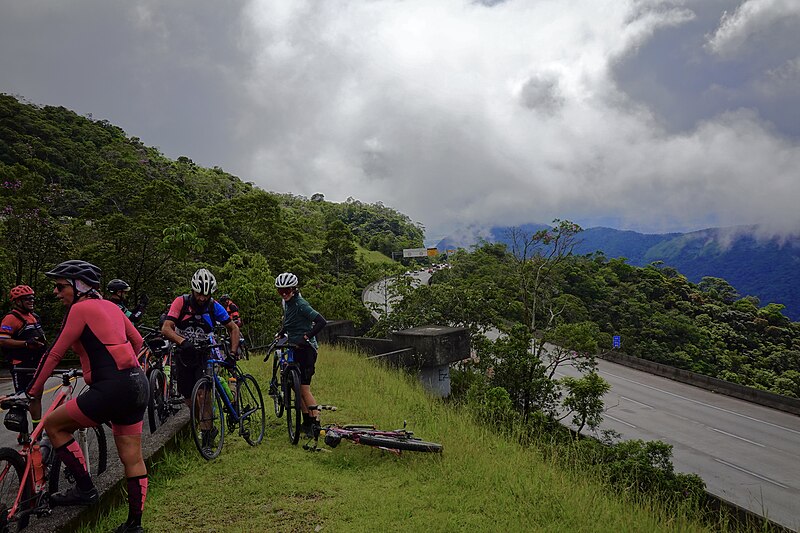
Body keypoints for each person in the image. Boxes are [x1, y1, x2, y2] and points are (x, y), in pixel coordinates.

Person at [20, 260, 149, 533]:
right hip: (137, 384)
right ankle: (134, 525)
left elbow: (54, 353)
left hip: (111, 387)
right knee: (132, 457)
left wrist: (32, 391)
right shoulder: (112, 307)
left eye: (60, 286)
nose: (56, 292)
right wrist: (130, 372)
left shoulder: (80, 308)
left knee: (54, 425)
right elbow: (138, 343)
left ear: (79, 286)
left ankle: (85, 489)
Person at [160, 268, 239, 445]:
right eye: (199, 294)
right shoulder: (181, 302)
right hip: (183, 355)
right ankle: (204, 424)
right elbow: (166, 327)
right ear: (193, 290)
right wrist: (182, 341)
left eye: (206, 294)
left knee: (204, 394)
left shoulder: (214, 306)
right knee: (189, 398)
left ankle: (208, 436)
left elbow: (233, 328)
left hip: (204, 355)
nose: (202, 298)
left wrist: (232, 353)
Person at [274, 272, 327, 436]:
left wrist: (306, 337)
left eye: (287, 290)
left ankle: (316, 423)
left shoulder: (300, 304)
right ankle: (306, 421)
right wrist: (282, 332)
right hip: (294, 347)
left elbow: (321, 322)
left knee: (304, 388)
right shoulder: (286, 303)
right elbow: (289, 321)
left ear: (294, 289)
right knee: (296, 388)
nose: (284, 294)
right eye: (280, 291)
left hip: (307, 349)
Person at [0, 285, 47, 434]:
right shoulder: (11, 318)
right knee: (23, 398)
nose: (31, 301)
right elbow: (3, 340)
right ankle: (23, 432)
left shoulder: (34, 316)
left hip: (36, 363)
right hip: (20, 365)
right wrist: (26, 343)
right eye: (27, 299)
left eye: (32, 298)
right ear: (17, 302)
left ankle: (36, 429)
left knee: (36, 396)